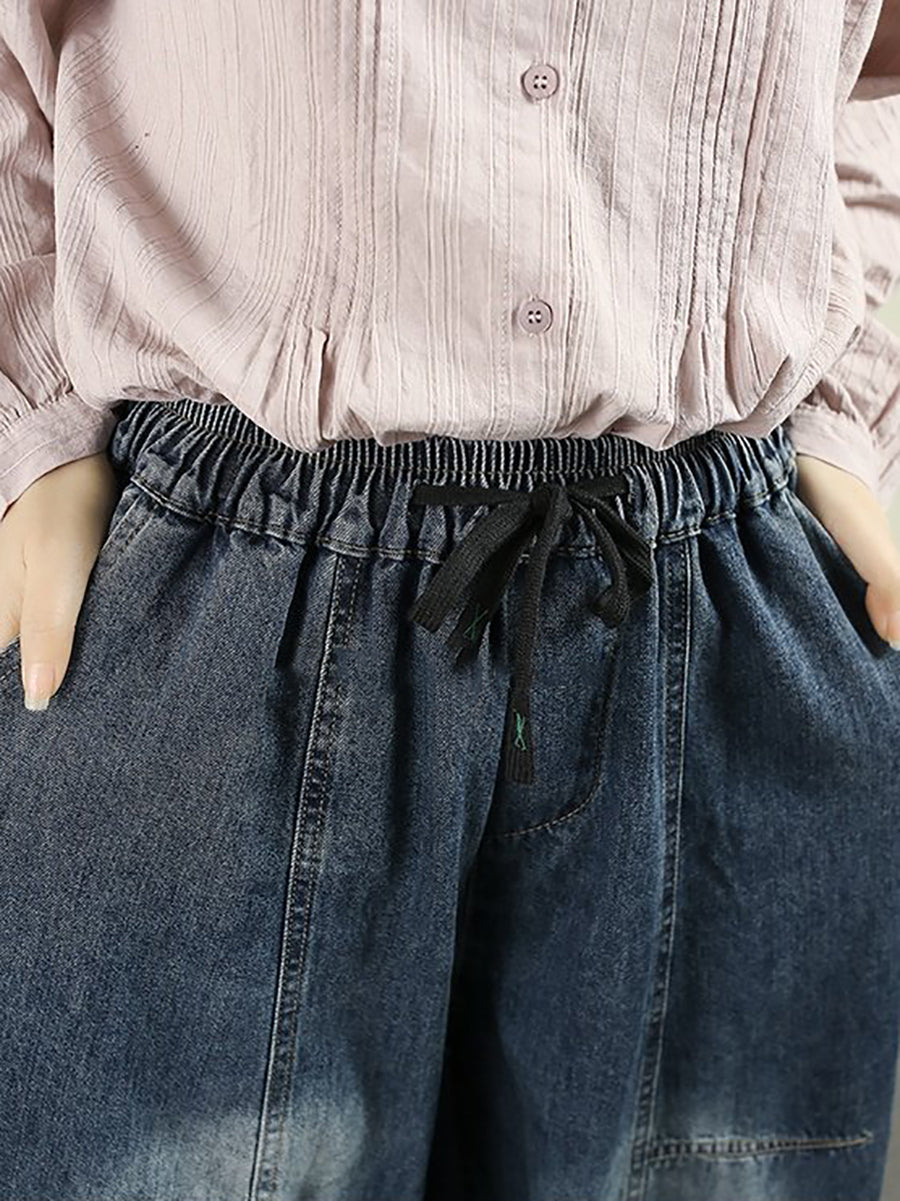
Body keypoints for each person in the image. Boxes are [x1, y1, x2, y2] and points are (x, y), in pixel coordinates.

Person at [0, 2, 899, 1199]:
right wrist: (32, 405)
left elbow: (870, 79)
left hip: (728, 595)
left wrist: (844, 393)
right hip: (223, 604)